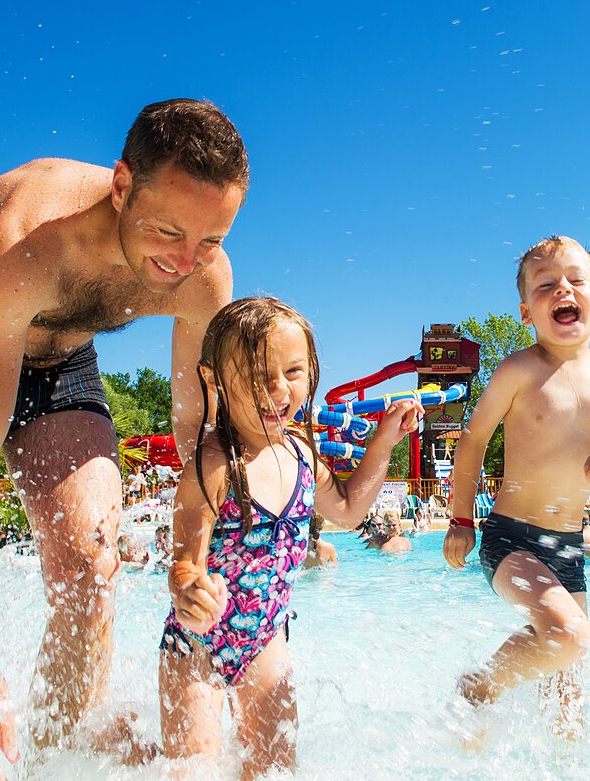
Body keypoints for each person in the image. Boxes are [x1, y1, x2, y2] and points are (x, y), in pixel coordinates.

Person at [0, 99, 249, 777]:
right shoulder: (25, 233)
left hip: (61, 367)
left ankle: (52, 753)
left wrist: (190, 562)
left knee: (92, 574)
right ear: (123, 185)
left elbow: (196, 435)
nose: (186, 261)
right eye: (168, 231)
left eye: (211, 239)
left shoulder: (202, 279)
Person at [159, 297, 421, 777]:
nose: (279, 389)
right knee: (191, 769)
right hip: (196, 647)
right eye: (259, 375)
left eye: (294, 371)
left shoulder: (300, 452)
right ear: (216, 380)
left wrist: (384, 439)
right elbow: (185, 560)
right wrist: (189, 588)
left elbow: (346, 510)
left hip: (264, 642)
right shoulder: (214, 464)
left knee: (275, 770)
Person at [443, 235, 590, 736]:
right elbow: (471, 442)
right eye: (546, 284)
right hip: (511, 538)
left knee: (567, 709)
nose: (564, 288)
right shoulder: (519, 370)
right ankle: (478, 686)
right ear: (526, 312)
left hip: (567, 546)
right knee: (570, 636)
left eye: (577, 280)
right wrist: (459, 520)